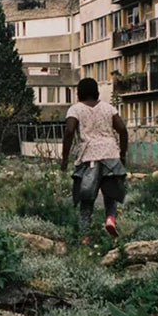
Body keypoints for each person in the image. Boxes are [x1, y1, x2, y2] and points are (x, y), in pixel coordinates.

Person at [60, 77, 129, 239]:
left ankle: (85, 236)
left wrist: (64, 159)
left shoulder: (75, 109)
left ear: (79, 93)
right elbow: (123, 130)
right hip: (111, 155)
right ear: (96, 92)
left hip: (88, 157)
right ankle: (110, 219)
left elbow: (69, 131)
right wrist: (123, 155)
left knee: (86, 198)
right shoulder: (108, 108)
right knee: (110, 195)